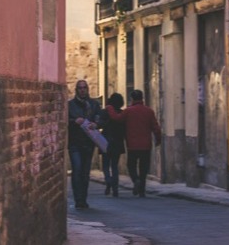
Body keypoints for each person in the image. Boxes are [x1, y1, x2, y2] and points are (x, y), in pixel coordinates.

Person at [107, 89, 161, 197]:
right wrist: (158, 139)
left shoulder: (128, 111)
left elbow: (117, 118)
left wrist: (110, 108)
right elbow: (155, 127)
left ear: (132, 99)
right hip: (146, 145)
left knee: (131, 166)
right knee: (144, 168)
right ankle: (142, 190)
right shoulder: (149, 111)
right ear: (142, 98)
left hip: (132, 145)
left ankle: (136, 180)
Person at [67, 79, 102, 209]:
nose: (82, 90)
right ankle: (78, 200)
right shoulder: (70, 105)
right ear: (76, 90)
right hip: (75, 142)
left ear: (87, 89)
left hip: (88, 142)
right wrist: (74, 120)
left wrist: (96, 124)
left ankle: (83, 199)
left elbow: (100, 117)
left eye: (84, 88)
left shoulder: (93, 104)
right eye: (80, 88)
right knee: (77, 170)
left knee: (85, 173)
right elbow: (65, 120)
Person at [99, 92, 126, 197]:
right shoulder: (122, 113)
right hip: (117, 141)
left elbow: (99, 124)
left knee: (105, 164)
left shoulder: (104, 112)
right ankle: (115, 189)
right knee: (114, 165)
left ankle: (108, 180)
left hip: (105, 141)